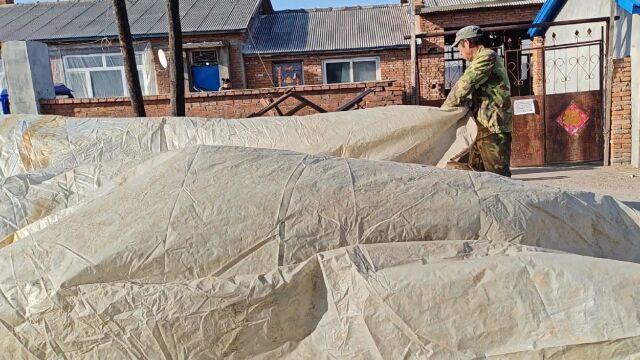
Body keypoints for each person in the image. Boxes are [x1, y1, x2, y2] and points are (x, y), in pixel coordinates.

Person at [442, 25, 513, 177]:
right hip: (482, 128)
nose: (460, 52)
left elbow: (464, 85)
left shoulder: (487, 56)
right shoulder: (480, 60)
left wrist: (443, 112)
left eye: (459, 47)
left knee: (498, 178)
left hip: (493, 128)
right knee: (477, 176)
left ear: (467, 43)